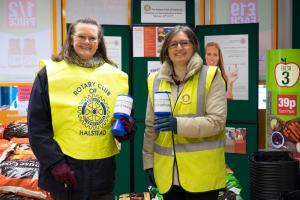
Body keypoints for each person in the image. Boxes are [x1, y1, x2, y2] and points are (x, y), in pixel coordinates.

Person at [27, 18, 136, 200]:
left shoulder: (115, 76)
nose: (87, 42)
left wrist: (127, 129)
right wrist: (55, 163)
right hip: (65, 170)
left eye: (92, 38)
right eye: (82, 37)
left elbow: (125, 119)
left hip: (102, 173)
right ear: (71, 38)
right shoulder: (50, 74)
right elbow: (37, 126)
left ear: (99, 41)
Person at [143, 25, 227, 200]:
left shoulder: (211, 75)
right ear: (166, 49)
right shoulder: (155, 80)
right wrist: (148, 162)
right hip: (166, 174)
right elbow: (151, 127)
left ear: (194, 46)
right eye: (173, 44)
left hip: (202, 174)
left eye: (184, 43)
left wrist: (177, 124)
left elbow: (217, 122)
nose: (179, 48)